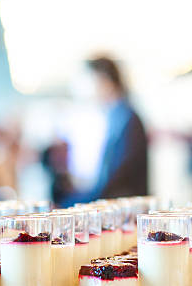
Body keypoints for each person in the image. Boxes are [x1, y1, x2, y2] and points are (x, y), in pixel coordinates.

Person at [59, 56, 148, 206]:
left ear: (104, 80)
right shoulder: (117, 115)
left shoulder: (126, 117)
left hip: (122, 206)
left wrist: (88, 199)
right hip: (114, 200)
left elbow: (118, 177)